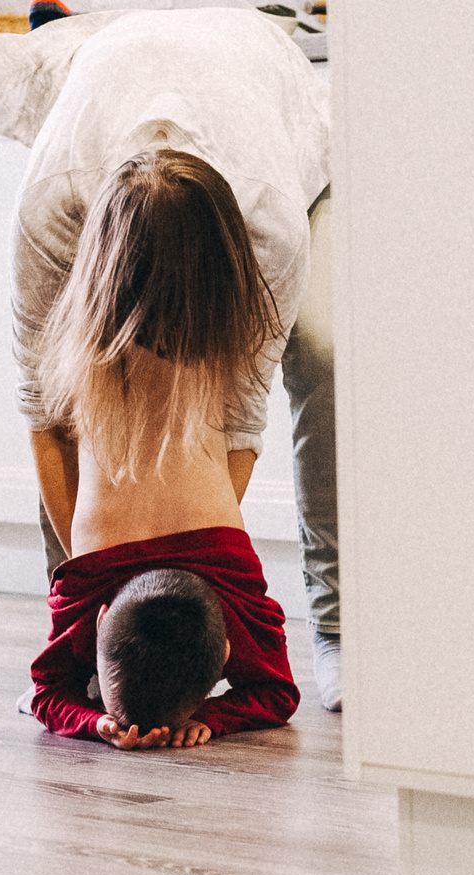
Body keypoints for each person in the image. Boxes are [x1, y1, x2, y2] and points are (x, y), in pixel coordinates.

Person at [0, 5, 343, 711]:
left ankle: (340, 626)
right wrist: (94, 578)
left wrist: (191, 575)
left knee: (323, 351)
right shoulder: (52, 207)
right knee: (86, 383)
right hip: (114, 96)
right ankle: (77, 643)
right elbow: (45, 407)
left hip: (264, 94)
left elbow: (242, 415)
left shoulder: (270, 227)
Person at [20, 148, 300, 747]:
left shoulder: (80, 353)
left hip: (104, 558)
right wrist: (210, 720)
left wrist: (97, 722)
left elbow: (46, 694)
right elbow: (276, 695)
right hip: (201, 552)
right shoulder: (221, 346)